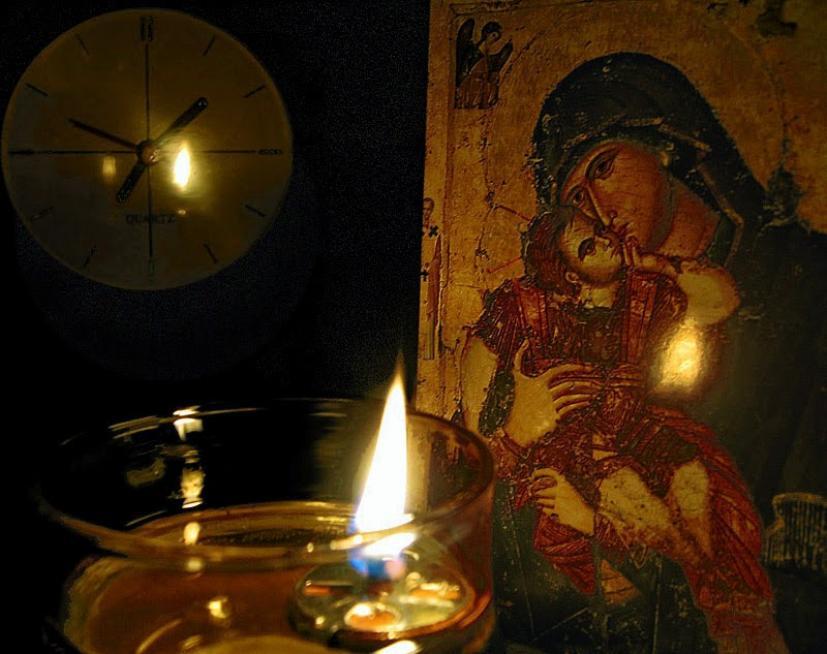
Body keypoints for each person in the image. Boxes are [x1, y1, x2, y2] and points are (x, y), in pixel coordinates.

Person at [460, 52, 811, 652]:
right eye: (576, 198)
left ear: (667, 145)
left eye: (604, 167)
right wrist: (520, 429)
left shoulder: (797, 272)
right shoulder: (554, 313)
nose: (599, 210)